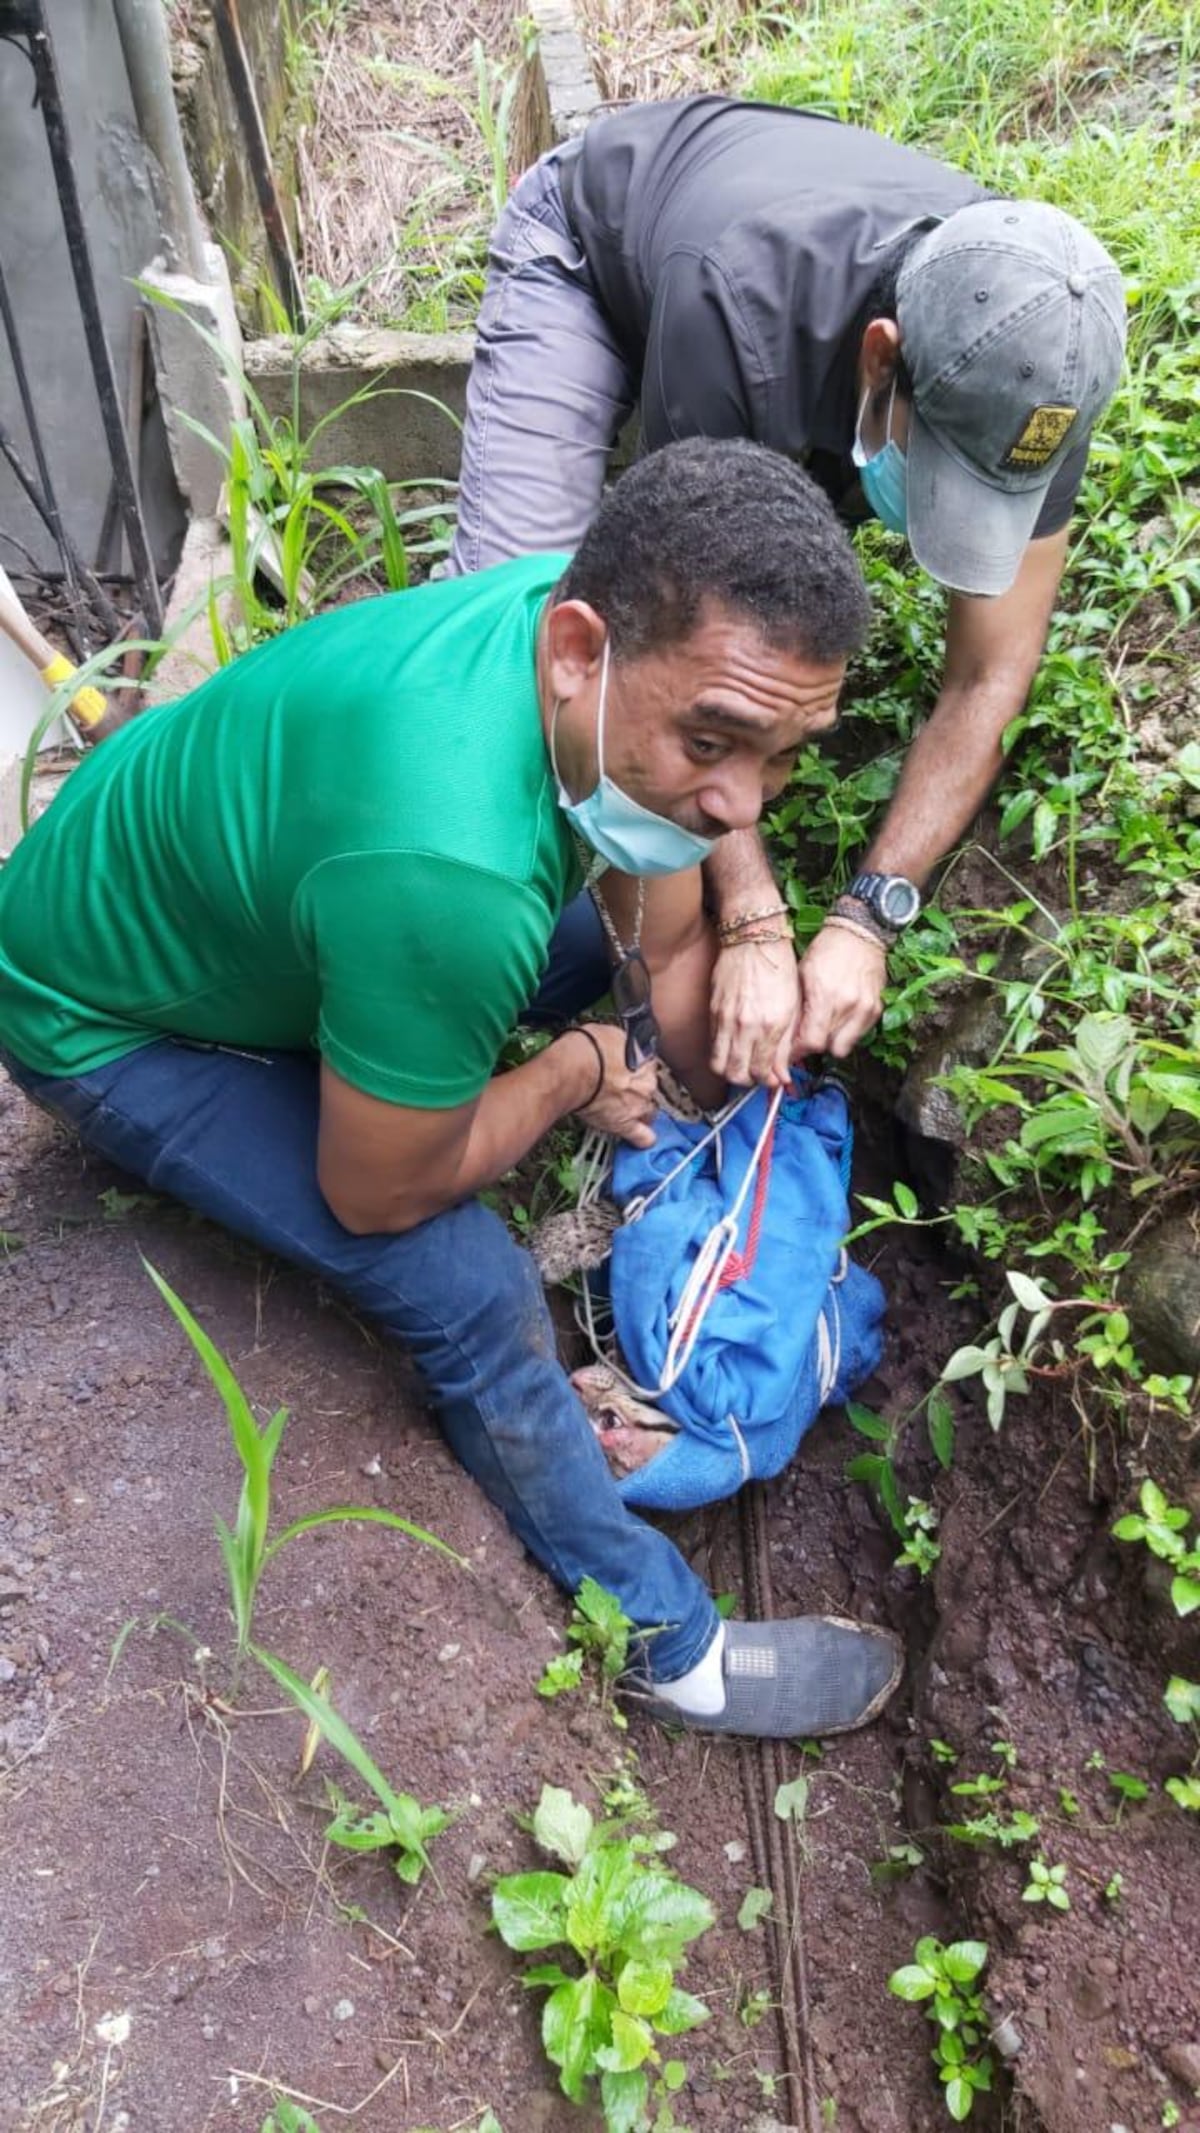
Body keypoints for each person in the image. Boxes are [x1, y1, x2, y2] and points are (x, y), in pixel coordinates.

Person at [0, 439, 901, 1739]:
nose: (736, 803)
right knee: (469, 1290)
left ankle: (402, 1037)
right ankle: (665, 1641)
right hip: (98, 1016)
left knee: (587, 939)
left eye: (780, 755)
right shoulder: (451, 872)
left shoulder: (581, 615)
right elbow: (378, 1191)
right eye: (713, 741)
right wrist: (577, 1068)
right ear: (582, 652)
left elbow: (656, 867)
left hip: (231, 886)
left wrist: (687, 992)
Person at [448, 93, 1127, 1080]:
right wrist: (754, 919)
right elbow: (684, 657)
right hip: (594, 251)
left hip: (783, 313)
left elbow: (989, 676)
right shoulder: (739, 308)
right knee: (520, 637)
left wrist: (868, 915)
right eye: (939, 473)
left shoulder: (1034, 371)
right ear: (883, 356)